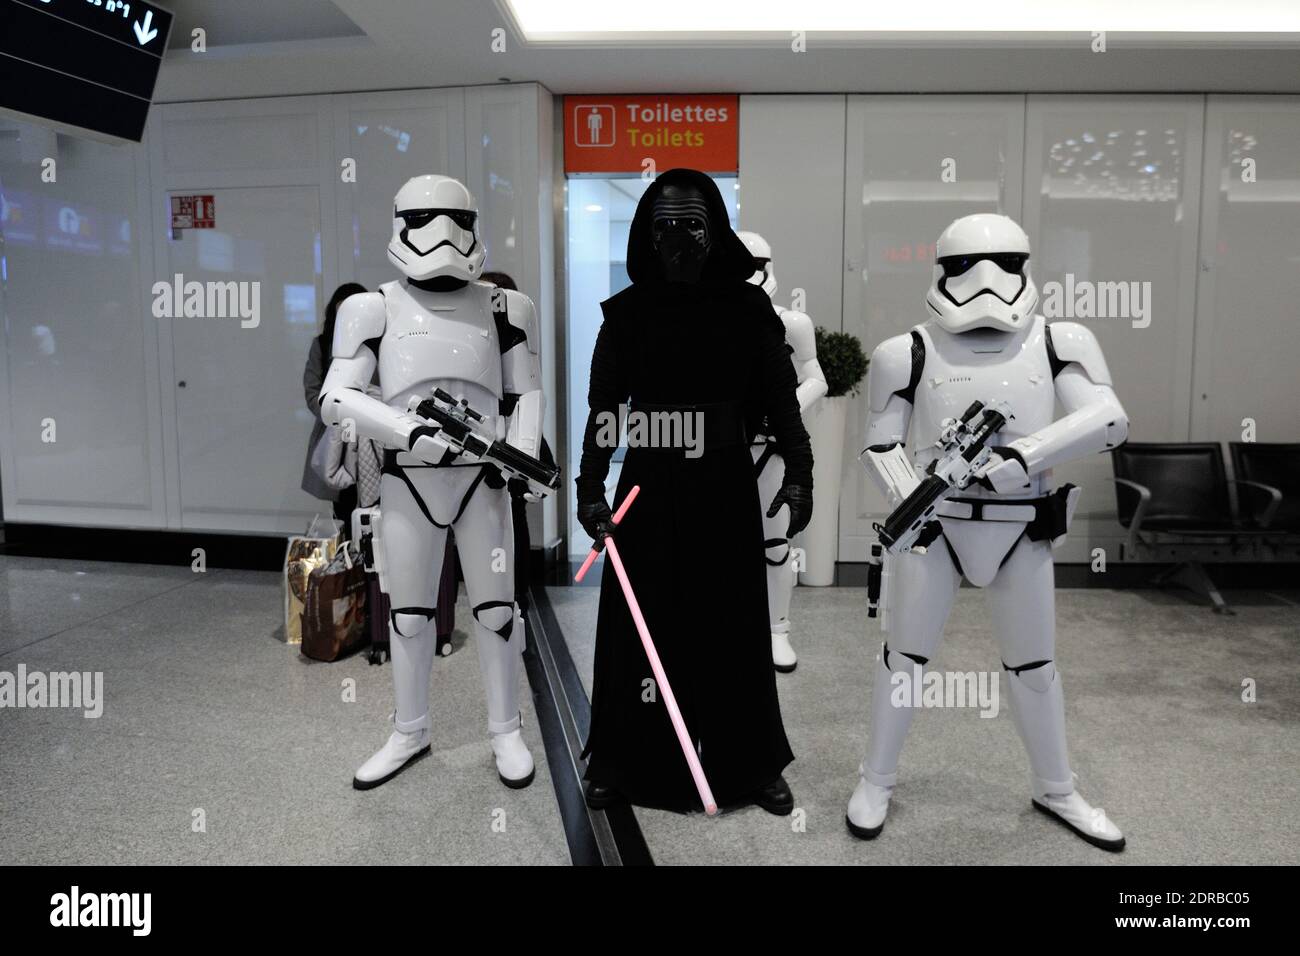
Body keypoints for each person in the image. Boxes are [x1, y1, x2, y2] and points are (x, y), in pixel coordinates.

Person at [847, 213, 1128, 851]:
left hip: (1022, 527)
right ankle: (876, 779)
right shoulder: (907, 351)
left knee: (1034, 665)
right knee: (904, 660)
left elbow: (1109, 419)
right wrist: (913, 496)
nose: (985, 280)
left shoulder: (1059, 340)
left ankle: (1056, 787)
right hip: (934, 527)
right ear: (940, 271)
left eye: (1005, 262)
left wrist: (1025, 457)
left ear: (1026, 266)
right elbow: (880, 445)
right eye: (965, 266)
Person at [576, 168, 814, 815]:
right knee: (637, 628)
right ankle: (622, 760)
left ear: (716, 231)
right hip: (648, 485)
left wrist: (799, 469)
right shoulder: (626, 316)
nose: (678, 239)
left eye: (692, 224)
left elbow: (779, 400)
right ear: (645, 237)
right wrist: (589, 486)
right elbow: (605, 411)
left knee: (735, 625)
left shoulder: (746, 310)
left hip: (725, 484)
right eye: (665, 226)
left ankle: (752, 762)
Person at [319, 174, 546, 790]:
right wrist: (404, 429)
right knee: (410, 614)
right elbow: (335, 398)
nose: (441, 233)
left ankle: (506, 729)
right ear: (399, 223)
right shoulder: (372, 307)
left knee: (498, 610)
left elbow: (526, 393)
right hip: (408, 479)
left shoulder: (504, 306)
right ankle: (409, 729)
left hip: (484, 480)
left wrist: (519, 453)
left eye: (456, 219)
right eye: (424, 218)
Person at [736, 231, 828, 673]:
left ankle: (777, 630)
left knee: (775, 543)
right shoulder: (707, 323)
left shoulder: (792, 323)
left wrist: (782, 412)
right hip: (718, 448)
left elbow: (816, 377)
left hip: (769, 449)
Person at [302, 282, 367, 530]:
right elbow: (312, 393)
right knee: (344, 504)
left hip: (374, 435)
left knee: (379, 503)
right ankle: (348, 563)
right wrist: (336, 413)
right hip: (336, 436)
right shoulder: (321, 344)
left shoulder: (381, 345)